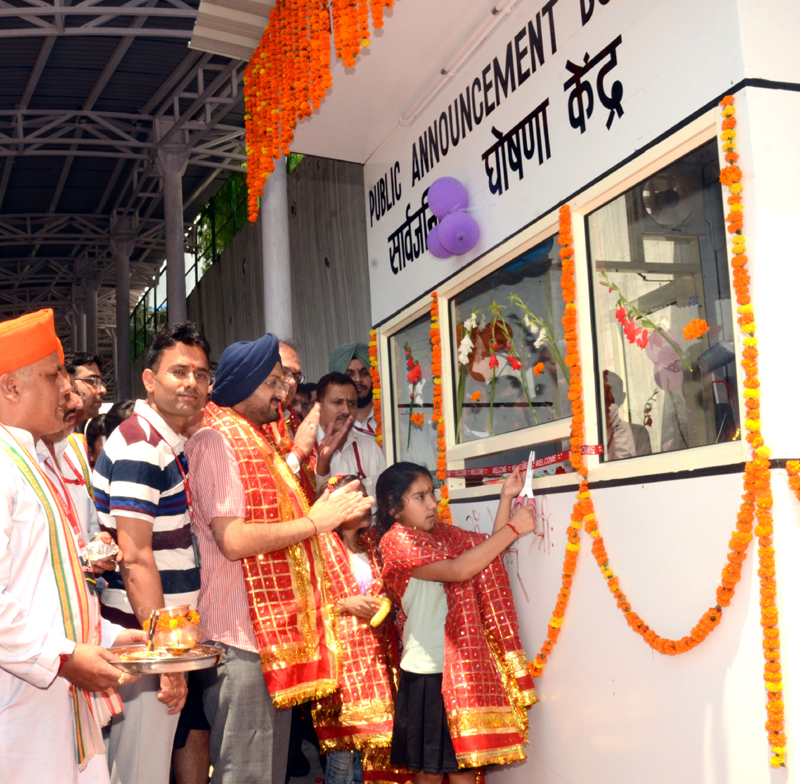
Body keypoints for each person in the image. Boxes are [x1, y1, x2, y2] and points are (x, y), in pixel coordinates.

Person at [184, 332, 373, 784]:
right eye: (273, 381)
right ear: (246, 383)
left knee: (268, 774)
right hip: (240, 640)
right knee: (247, 775)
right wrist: (316, 522)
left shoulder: (256, 440)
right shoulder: (217, 440)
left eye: (287, 380)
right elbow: (232, 540)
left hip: (269, 638)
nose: (283, 391)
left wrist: (306, 461)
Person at [0, 308, 145, 783]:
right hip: (21, 706)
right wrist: (63, 657)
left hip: (54, 693)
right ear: (11, 388)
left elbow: (55, 581)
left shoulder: (34, 461)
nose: (66, 387)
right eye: (52, 374)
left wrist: (103, 638)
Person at [94, 322, 211, 784]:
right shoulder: (142, 444)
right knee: (139, 772)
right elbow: (136, 554)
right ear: (149, 379)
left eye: (201, 374)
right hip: (141, 645)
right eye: (178, 371)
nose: (191, 383)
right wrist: (165, 659)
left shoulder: (160, 442)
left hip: (148, 640)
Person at [377, 463, 538, 784]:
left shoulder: (445, 536)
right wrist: (514, 528)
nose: (433, 503)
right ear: (394, 508)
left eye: (432, 493)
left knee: (463, 771)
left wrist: (506, 498)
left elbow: (485, 553)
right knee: (429, 777)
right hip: (426, 675)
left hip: (459, 672)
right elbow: (458, 570)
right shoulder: (396, 544)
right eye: (419, 497)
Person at [312, 475, 406, 784]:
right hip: (341, 670)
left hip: (378, 664)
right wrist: (342, 605)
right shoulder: (317, 550)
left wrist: (385, 605)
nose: (368, 503)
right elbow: (300, 609)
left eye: (367, 496)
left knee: (375, 757)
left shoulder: (375, 545)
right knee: (343, 759)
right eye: (356, 498)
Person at [316, 372, 386, 503]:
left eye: (352, 404)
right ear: (319, 406)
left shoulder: (370, 448)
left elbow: (382, 502)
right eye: (337, 402)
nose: (346, 411)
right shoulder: (307, 449)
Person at [329, 343, 377, 439]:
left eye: (364, 373)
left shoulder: (390, 417)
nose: (358, 379)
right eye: (350, 374)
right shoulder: (330, 424)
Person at [603, 370, 652, 460]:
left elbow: (643, 469)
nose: (607, 395)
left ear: (623, 397)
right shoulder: (586, 434)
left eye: (612, 389)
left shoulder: (638, 433)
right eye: (603, 390)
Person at [66, 352, 108, 427]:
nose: (103, 390)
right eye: (93, 380)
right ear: (68, 382)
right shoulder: (43, 437)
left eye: (101, 382)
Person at [279, 340, 305, 437]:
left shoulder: (293, 420)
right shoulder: (250, 425)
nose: (293, 382)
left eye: (296, 376)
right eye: (284, 373)